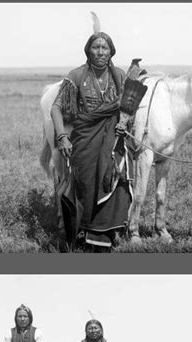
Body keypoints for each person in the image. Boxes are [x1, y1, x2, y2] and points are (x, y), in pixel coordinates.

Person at [51, 31, 132, 249]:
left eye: (104, 48)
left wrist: (125, 121)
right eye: (96, 47)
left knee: (116, 180)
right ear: (88, 50)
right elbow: (56, 108)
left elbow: (128, 107)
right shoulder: (77, 76)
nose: (100, 52)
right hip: (85, 140)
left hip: (113, 140)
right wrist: (62, 137)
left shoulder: (121, 76)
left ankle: (108, 233)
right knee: (86, 185)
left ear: (111, 51)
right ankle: (84, 232)